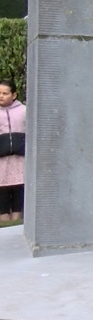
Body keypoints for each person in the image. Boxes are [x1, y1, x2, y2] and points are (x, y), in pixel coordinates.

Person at [0, 79, 25, 221]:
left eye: (5, 93)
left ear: (14, 95)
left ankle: (16, 221)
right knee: (2, 195)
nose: (1, 96)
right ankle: (4, 223)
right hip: (2, 162)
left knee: (18, 193)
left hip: (19, 160)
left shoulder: (24, 111)